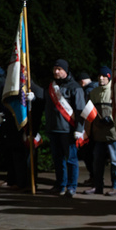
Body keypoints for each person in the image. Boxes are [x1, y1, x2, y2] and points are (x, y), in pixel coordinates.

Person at [45, 58, 85, 197]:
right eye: (55, 69)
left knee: (71, 160)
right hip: (53, 128)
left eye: (59, 69)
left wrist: (79, 129)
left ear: (65, 70)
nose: (56, 71)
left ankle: (71, 187)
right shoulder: (52, 86)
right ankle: (60, 184)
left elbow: (80, 110)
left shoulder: (75, 87)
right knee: (57, 159)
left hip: (68, 130)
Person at [83, 66, 116, 196]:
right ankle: (97, 186)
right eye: (99, 76)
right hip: (98, 132)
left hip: (113, 132)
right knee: (97, 162)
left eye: (104, 76)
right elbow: (90, 110)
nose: (101, 78)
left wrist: (112, 119)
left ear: (109, 77)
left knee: (115, 161)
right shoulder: (94, 92)